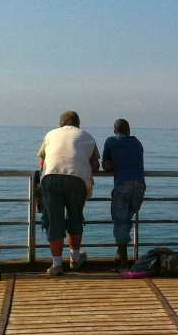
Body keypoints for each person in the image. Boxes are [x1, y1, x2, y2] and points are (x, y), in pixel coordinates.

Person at [37, 111, 99, 276]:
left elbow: (42, 162)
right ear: (78, 123)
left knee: (54, 220)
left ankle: (57, 264)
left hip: (51, 177)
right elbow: (95, 165)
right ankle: (75, 259)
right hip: (77, 180)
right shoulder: (87, 136)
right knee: (75, 217)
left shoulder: (50, 135)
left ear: (61, 123)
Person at [102, 118, 146, 272]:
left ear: (115, 130)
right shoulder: (137, 143)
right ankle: (119, 258)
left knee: (120, 222)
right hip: (140, 186)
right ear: (128, 130)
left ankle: (124, 264)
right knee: (126, 220)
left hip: (123, 185)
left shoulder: (111, 141)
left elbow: (106, 165)